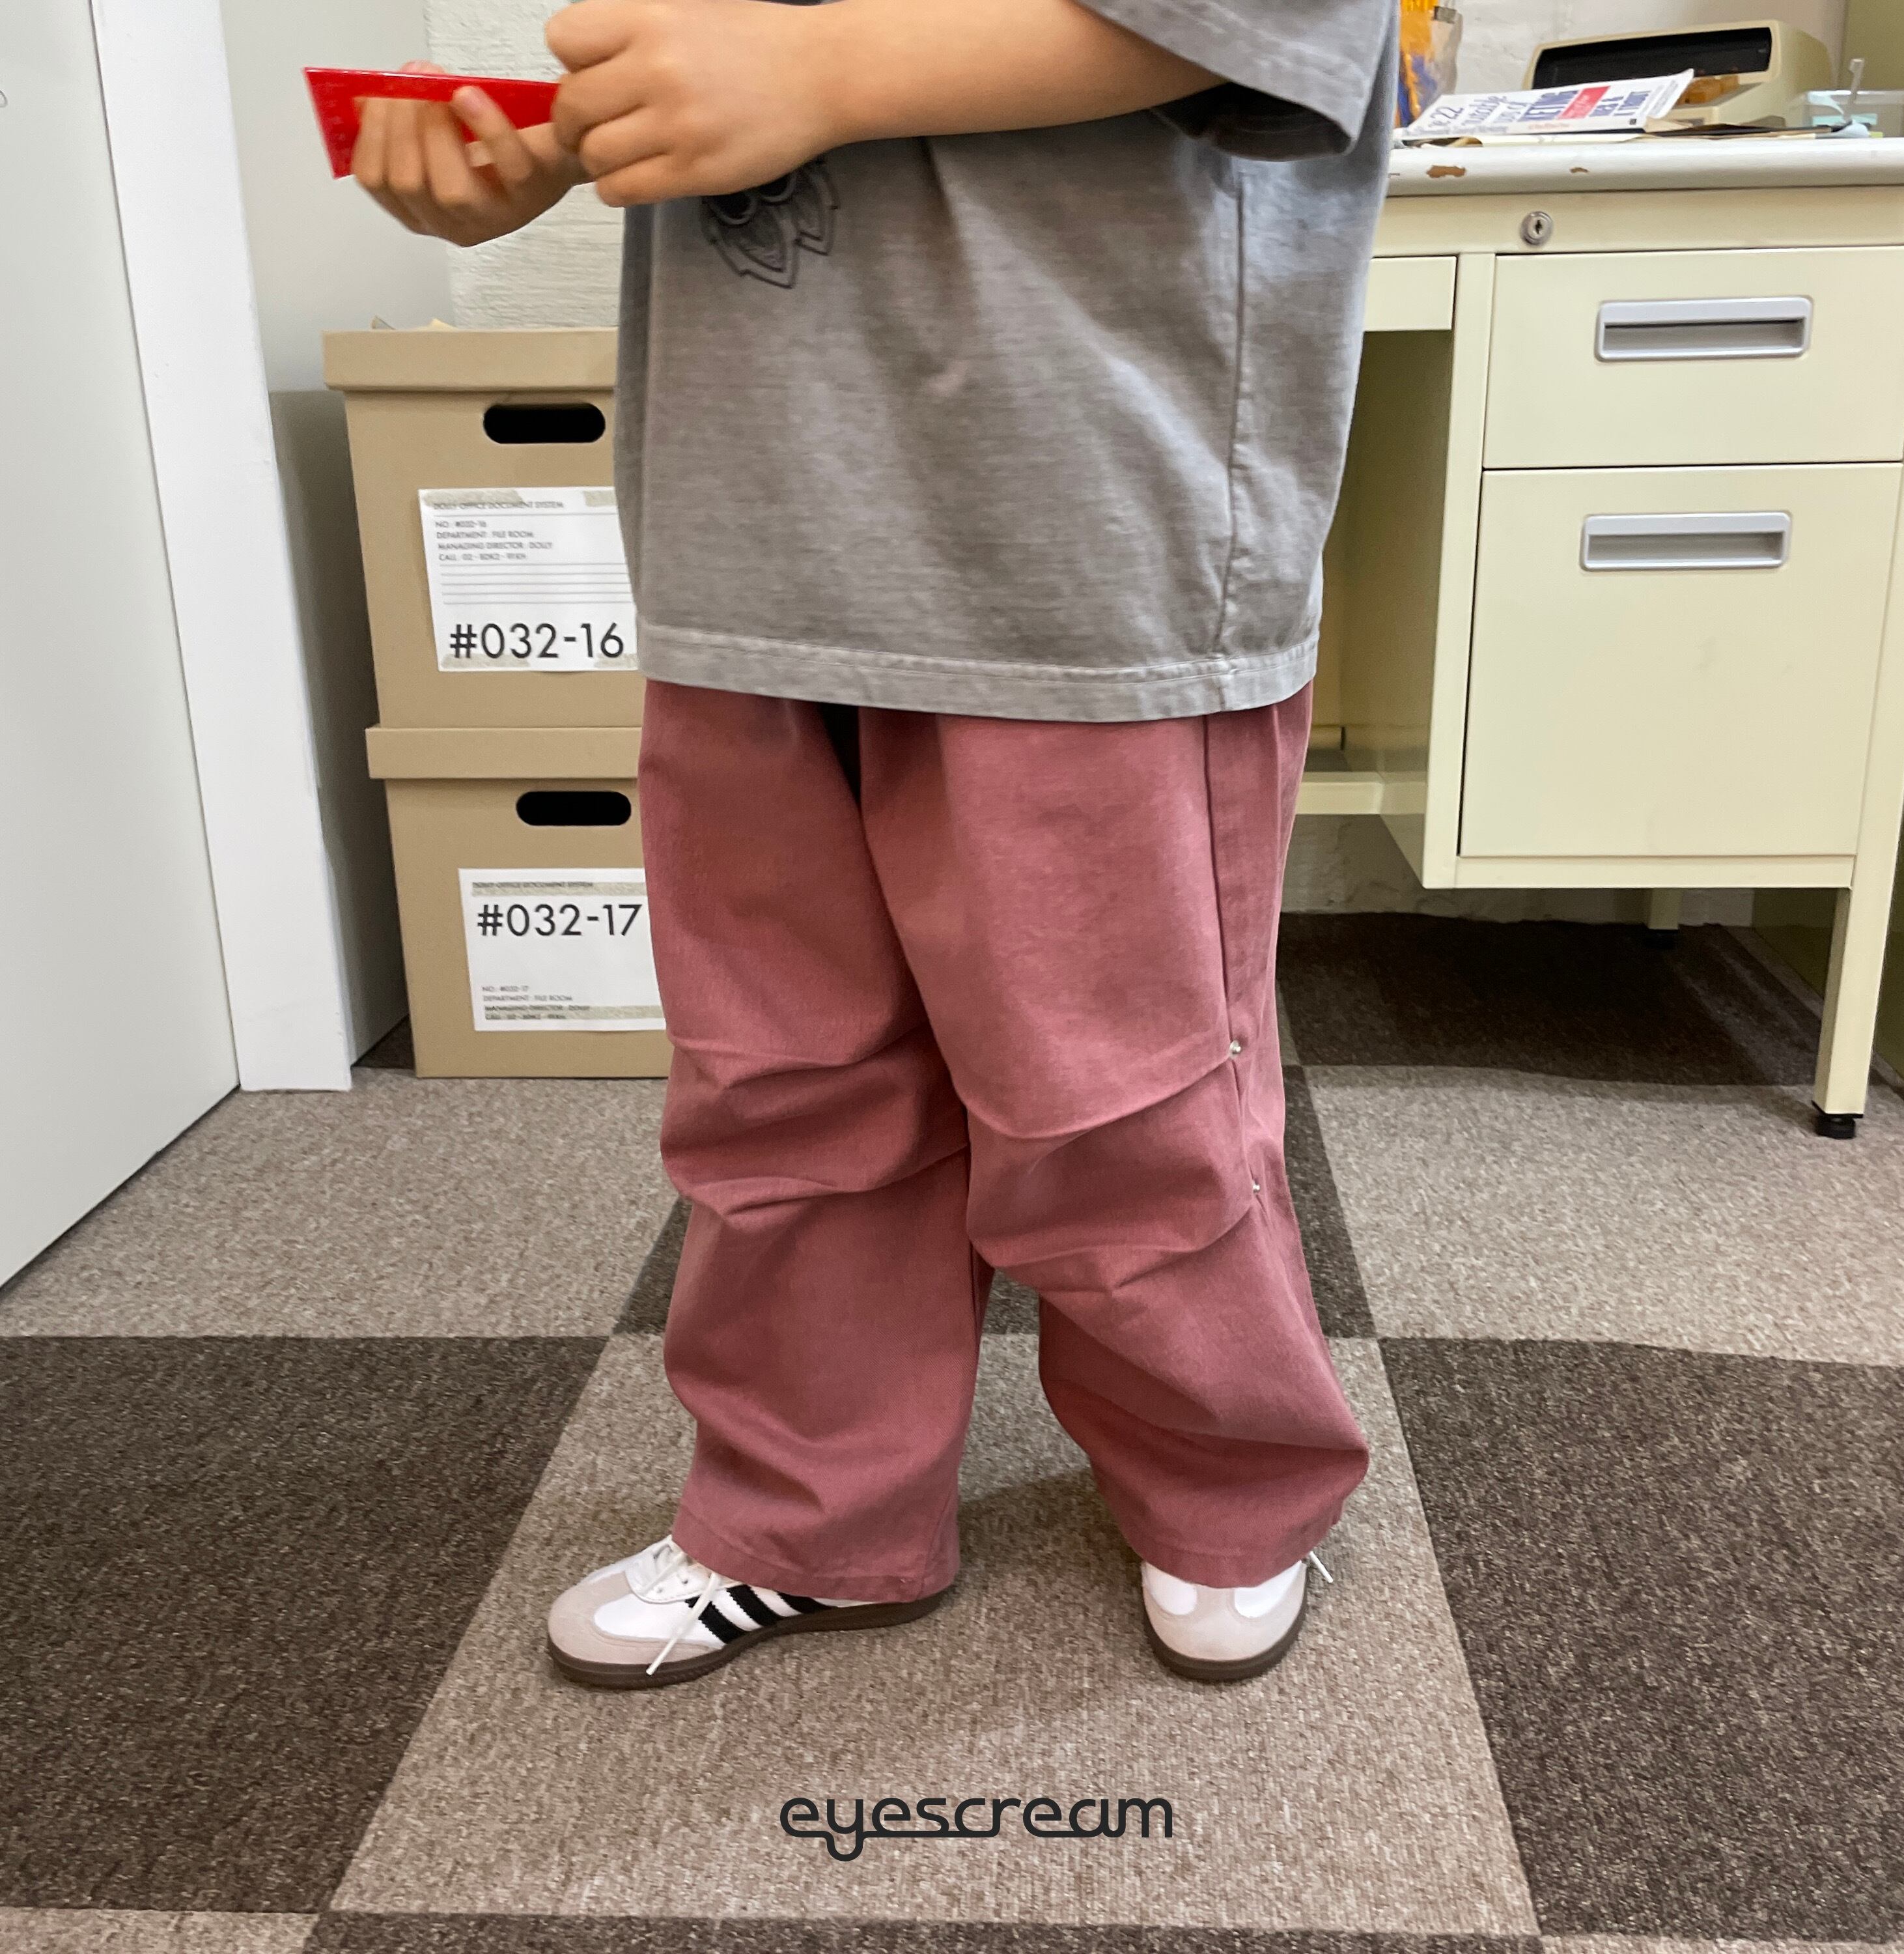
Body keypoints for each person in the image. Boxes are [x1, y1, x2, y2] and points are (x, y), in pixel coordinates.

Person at [356, 0, 1392, 1688]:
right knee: (778, 1083)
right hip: (754, 530)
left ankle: (1223, 1488)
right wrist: (546, 137)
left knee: (1123, 1097)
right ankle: (808, 1514)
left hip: (1079, 536)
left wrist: (821, 73)